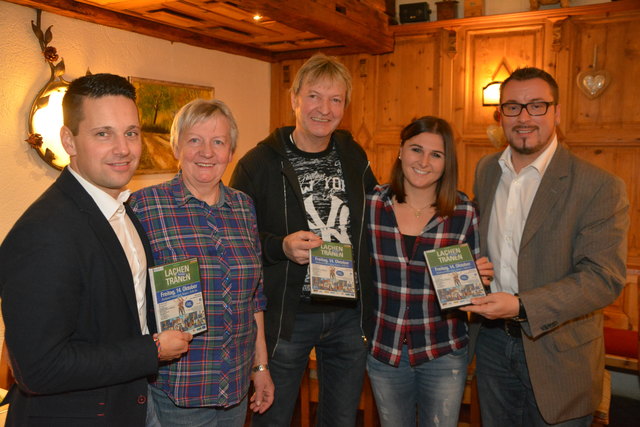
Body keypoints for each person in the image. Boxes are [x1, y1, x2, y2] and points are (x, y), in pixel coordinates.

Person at [0, 73, 192, 426]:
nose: (124, 148)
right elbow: (39, 369)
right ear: (69, 141)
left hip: (130, 404)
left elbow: (119, 307)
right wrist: (153, 350)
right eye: (103, 133)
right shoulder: (44, 231)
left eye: (131, 132)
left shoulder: (120, 209)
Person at [461, 67, 629, 426]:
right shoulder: (487, 169)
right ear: (499, 114)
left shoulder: (599, 185)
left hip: (559, 352)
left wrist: (522, 306)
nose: (524, 117)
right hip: (491, 345)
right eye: (513, 107)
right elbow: (481, 241)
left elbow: (603, 278)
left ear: (556, 113)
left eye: (537, 106)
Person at [230, 53, 377, 426]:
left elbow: (380, 216)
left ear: (345, 106)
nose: (324, 109)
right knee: (273, 416)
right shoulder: (258, 163)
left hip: (348, 314)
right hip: (287, 316)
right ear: (294, 98)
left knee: (342, 419)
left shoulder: (353, 154)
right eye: (314, 96)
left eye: (335, 99)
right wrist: (280, 246)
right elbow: (236, 238)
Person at [130, 98, 274, 427]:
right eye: (195, 140)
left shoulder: (243, 206)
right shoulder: (145, 206)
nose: (207, 152)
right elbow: (127, 300)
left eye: (218, 142)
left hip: (236, 389)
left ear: (230, 151)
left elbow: (255, 296)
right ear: (177, 146)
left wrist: (260, 368)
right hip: (177, 391)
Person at [366, 116, 493, 427]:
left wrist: (480, 277)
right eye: (416, 149)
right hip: (384, 350)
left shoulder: (464, 212)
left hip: (443, 351)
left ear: (447, 162)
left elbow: (478, 292)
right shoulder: (371, 204)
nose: (424, 162)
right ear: (400, 151)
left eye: (436, 155)